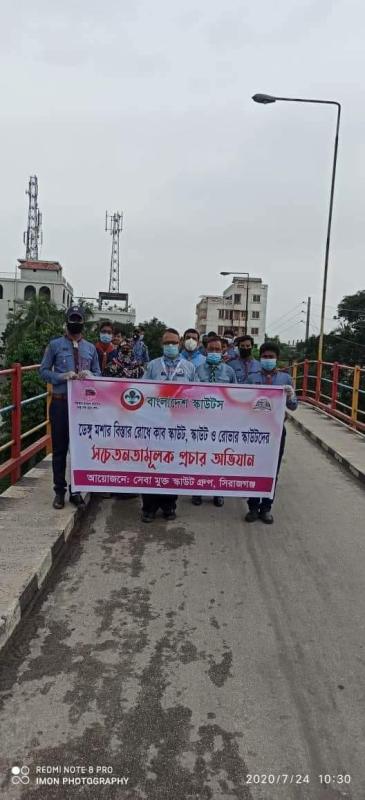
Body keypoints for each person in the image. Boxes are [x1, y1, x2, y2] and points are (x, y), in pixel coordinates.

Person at [39, 305, 101, 510]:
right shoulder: (55, 345)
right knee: (59, 449)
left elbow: (98, 374)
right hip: (60, 402)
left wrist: (90, 376)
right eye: (72, 319)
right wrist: (61, 376)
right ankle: (59, 492)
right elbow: (43, 371)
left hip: (83, 406)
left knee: (80, 450)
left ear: (83, 323)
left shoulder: (91, 348)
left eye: (79, 319)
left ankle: (76, 490)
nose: (76, 323)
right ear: (67, 321)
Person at [142, 328, 196, 523]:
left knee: (173, 465)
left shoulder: (189, 367)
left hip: (177, 426)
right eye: (167, 343)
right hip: (154, 424)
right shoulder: (153, 366)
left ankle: (168, 506)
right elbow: (142, 390)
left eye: (174, 343)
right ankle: (148, 508)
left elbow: (195, 394)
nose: (171, 346)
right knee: (151, 465)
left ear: (180, 343)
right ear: (161, 344)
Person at [245, 341, 297, 525]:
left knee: (272, 468)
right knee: (253, 467)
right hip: (255, 430)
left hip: (275, 431)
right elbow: (243, 402)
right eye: (265, 357)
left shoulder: (285, 379)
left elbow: (294, 406)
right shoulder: (252, 378)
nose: (268, 360)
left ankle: (266, 508)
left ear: (277, 359)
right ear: (261, 359)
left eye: (271, 357)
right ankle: (252, 507)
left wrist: (290, 395)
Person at [194, 335, 237, 509]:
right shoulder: (197, 370)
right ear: (205, 350)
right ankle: (197, 490)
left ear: (223, 350)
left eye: (217, 350)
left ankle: (217, 492)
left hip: (222, 422)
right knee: (199, 457)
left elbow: (236, 395)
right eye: (211, 349)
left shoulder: (229, 372)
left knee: (219, 458)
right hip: (200, 421)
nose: (214, 352)